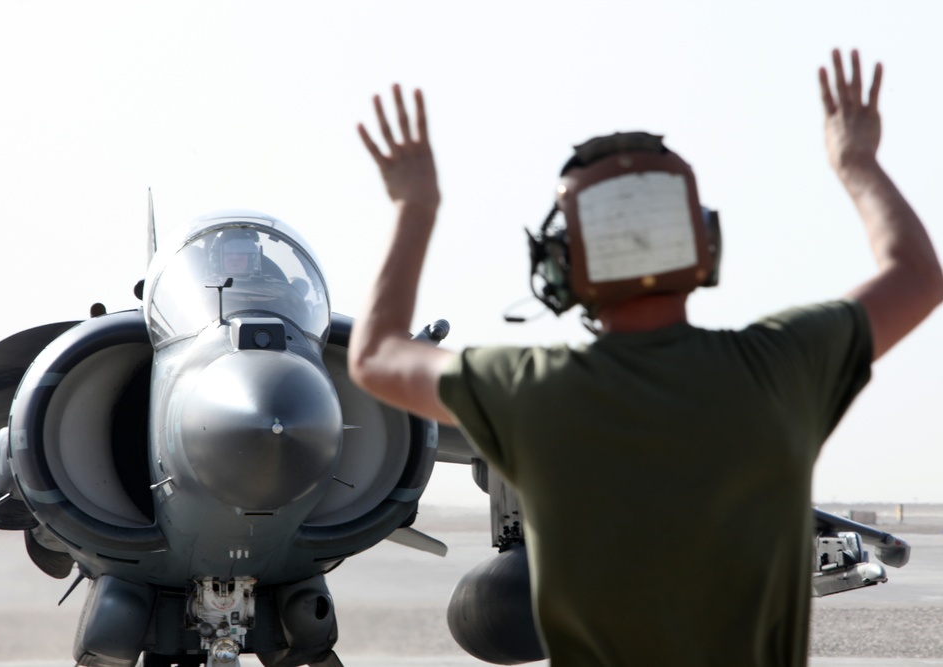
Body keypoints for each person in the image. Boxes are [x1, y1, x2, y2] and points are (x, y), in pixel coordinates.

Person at [347, 50, 943, 667]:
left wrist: (414, 207)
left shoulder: (528, 392)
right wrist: (858, 164)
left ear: (558, 269)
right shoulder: (782, 366)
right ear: (704, 246)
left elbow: (375, 356)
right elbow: (918, 276)